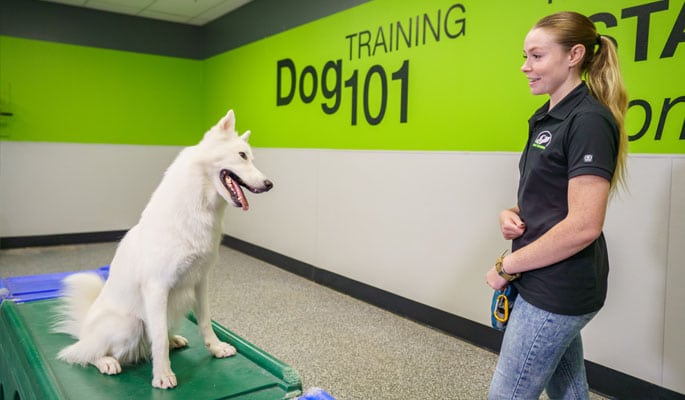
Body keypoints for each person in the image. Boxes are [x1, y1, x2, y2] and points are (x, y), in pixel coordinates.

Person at [485, 11, 628, 400]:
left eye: (536, 56)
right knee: (568, 389)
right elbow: (548, 196)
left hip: (559, 287)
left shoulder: (588, 120)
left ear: (574, 55)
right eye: (525, 56)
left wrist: (505, 266)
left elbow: (584, 225)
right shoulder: (549, 118)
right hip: (541, 276)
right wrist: (512, 214)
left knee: (507, 394)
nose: (524, 67)